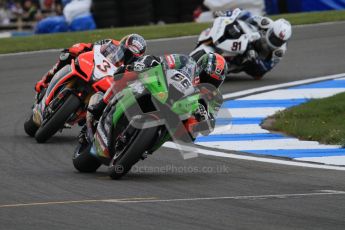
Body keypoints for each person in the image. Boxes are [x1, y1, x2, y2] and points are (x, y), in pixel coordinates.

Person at [78, 52, 227, 144]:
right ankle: (101, 104)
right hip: (163, 88)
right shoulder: (186, 62)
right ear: (200, 68)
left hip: (181, 113)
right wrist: (148, 62)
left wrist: (204, 116)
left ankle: (148, 144)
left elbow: (209, 127)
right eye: (207, 77)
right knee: (127, 73)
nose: (208, 83)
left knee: (192, 133)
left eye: (214, 82)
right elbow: (162, 60)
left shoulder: (215, 98)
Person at [34, 33, 147, 93]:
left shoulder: (132, 67)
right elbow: (92, 46)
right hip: (93, 66)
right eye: (125, 52)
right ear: (123, 44)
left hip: (106, 81)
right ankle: (45, 81)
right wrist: (79, 47)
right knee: (67, 56)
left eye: (131, 56)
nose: (126, 57)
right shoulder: (111, 43)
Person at [217, 9, 292, 79]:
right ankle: (221, 37)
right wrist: (229, 15)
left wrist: (256, 60)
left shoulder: (280, 51)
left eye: (279, 41)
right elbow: (246, 15)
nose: (275, 42)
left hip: (256, 57)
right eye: (274, 38)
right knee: (239, 23)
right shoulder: (266, 22)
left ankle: (225, 66)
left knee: (256, 73)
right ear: (271, 30)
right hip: (250, 37)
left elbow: (266, 68)